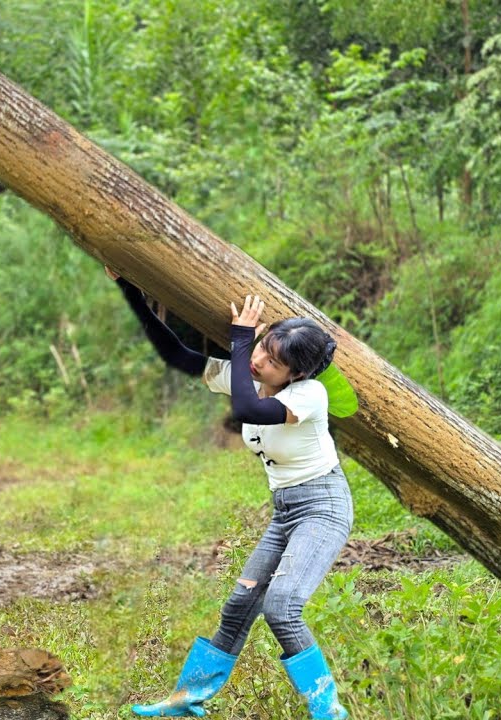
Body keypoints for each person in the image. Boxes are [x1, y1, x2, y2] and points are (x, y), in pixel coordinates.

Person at [112, 271, 351, 720]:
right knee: (240, 603)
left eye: (272, 360)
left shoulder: (310, 394)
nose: (259, 361)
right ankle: (187, 702)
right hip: (285, 512)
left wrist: (242, 339)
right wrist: (131, 287)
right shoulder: (249, 375)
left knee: (282, 607)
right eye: (262, 347)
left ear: (296, 373)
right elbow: (176, 355)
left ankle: (329, 713)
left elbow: (248, 409)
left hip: (323, 507)